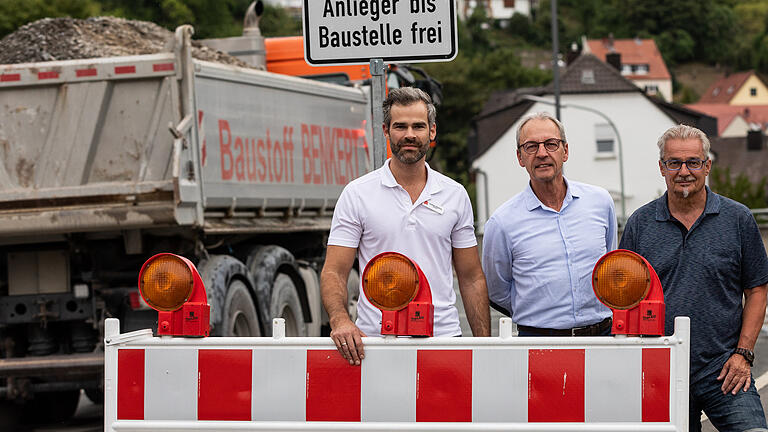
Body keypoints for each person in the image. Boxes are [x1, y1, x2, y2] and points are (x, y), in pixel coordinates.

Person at [320, 87, 490, 365]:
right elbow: (335, 271)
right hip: (374, 343)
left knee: (444, 411)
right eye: (400, 126)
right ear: (386, 131)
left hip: (443, 340)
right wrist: (340, 321)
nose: (409, 134)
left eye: (418, 126)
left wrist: (484, 346)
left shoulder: (455, 194)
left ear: (432, 132)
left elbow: (471, 278)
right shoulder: (357, 193)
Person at [619, 124, 768, 431]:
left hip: (724, 368)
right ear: (662, 167)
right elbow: (625, 300)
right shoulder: (640, 224)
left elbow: (757, 289)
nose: (684, 171)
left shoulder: (738, 219)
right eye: (674, 162)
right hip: (662, 371)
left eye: (693, 162)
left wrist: (743, 354)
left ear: (707, 165)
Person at [482, 112, 617, 336]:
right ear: (519, 157)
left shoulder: (600, 202)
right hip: (538, 342)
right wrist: (539, 314)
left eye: (551, 144)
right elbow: (497, 291)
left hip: (602, 337)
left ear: (565, 151)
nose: (542, 153)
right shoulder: (502, 222)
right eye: (531, 146)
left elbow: (610, 265)